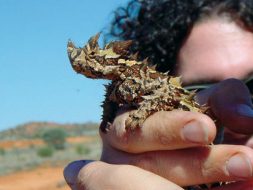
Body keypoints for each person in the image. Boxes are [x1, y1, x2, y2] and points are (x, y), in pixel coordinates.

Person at [64, 0, 253, 189]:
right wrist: (109, 118)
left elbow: (162, 92)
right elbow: (112, 99)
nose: (237, 105)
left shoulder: (133, 80)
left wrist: (142, 113)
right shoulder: (121, 84)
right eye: (200, 88)